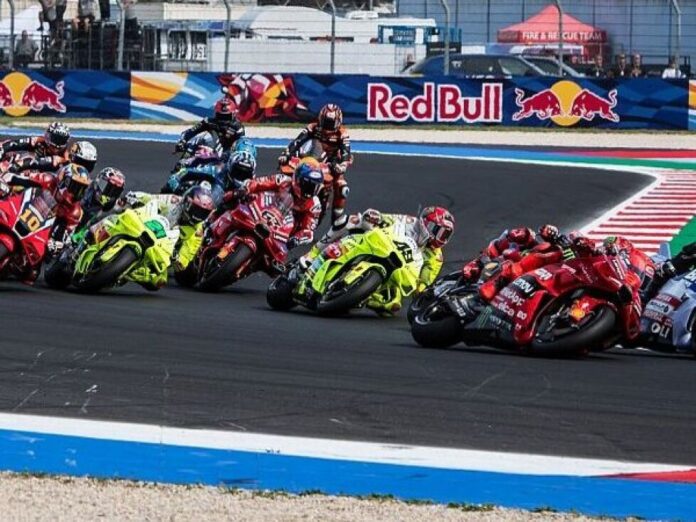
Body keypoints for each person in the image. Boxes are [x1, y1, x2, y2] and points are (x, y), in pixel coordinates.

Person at [299, 206, 455, 315]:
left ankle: (358, 297)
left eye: (446, 235)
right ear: (426, 224)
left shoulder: (436, 257)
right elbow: (386, 218)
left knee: (392, 305)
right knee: (351, 221)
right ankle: (313, 254)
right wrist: (375, 217)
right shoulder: (409, 222)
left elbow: (426, 279)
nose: (441, 239)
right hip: (379, 245)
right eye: (439, 232)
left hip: (399, 270)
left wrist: (421, 291)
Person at [0, 163, 90, 282]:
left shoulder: (75, 211)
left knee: (31, 274)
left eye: (81, 189)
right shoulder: (48, 179)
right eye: (75, 186)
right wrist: (6, 179)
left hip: (42, 233)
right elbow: (21, 179)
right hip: (23, 211)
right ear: (64, 181)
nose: (77, 192)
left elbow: (67, 234)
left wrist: (57, 244)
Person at [221, 158, 324, 251]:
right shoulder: (282, 180)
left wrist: (297, 239)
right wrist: (245, 189)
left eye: (313, 187)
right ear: (297, 178)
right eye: (306, 185)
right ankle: (213, 233)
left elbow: (308, 231)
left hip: (281, 234)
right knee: (231, 203)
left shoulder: (315, 205)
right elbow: (259, 183)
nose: (309, 191)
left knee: (276, 263)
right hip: (261, 211)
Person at [278, 104, 352, 228]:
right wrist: (286, 154)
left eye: (330, 123)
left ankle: (337, 222)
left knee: (342, 189)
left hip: (331, 163)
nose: (327, 126)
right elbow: (297, 142)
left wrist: (342, 164)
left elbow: (346, 152)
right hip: (310, 157)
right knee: (284, 169)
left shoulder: (342, 134)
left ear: (337, 122)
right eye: (326, 122)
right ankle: (277, 202)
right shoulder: (313, 127)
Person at [460, 224, 562, 283]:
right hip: (497, 263)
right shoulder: (527, 236)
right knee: (476, 268)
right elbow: (502, 245)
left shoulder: (550, 256)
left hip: (514, 276)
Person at [176, 99, 245, 156]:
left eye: (226, 117)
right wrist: (182, 141)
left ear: (233, 114)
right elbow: (191, 131)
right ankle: (183, 163)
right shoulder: (208, 121)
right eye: (220, 116)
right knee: (197, 141)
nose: (223, 119)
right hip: (206, 151)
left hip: (225, 155)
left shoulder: (237, 127)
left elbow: (242, 144)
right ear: (216, 113)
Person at [5, 139, 97, 176]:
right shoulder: (60, 162)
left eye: (89, 164)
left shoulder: (86, 184)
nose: (86, 168)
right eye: (85, 163)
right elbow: (33, 162)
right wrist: (14, 168)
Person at [0, 122, 71, 162]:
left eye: (62, 140)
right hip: (24, 167)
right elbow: (12, 144)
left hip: (46, 177)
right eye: (56, 138)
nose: (58, 143)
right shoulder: (38, 141)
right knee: (5, 147)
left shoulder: (66, 156)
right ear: (48, 136)